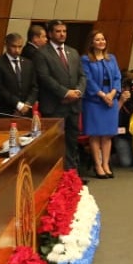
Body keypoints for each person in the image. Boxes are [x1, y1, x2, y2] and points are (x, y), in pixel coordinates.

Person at [34, 19, 86, 171]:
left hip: (74, 106)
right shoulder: (41, 53)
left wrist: (77, 91)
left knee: (71, 141)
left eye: (64, 31)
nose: (62, 34)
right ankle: (56, 176)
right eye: (58, 31)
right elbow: (44, 78)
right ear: (50, 34)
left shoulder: (73, 52)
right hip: (55, 106)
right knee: (55, 143)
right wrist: (65, 92)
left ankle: (71, 174)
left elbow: (82, 76)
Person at [81, 31, 121, 178]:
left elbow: (117, 76)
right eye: (97, 40)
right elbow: (88, 79)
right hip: (94, 100)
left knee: (107, 135)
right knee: (95, 135)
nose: (101, 42)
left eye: (103, 39)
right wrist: (102, 95)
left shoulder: (112, 58)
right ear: (92, 43)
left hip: (111, 99)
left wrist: (112, 93)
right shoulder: (86, 59)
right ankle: (97, 166)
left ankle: (106, 164)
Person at [0, 32, 38, 116]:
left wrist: (27, 104)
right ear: (6, 45)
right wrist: (18, 105)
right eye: (14, 46)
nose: (17, 50)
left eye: (20, 47)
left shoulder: (28, 63)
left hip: (26, 111)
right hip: (6, 111)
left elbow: (34, 87)